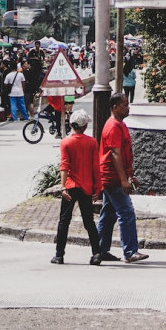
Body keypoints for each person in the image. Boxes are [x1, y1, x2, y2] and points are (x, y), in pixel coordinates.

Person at [95, 93, 148, 264]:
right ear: (115, 107)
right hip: (113, 177)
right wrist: (124, 180)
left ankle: (101, 250)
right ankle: (130, 251)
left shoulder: (120, 125)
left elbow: (124, 154)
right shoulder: (113, 127)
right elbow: (115, 154)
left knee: (108, 214)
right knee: (126, 212)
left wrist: (131, 175)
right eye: (125, 105)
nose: (128, 107)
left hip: (114, 175)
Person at [52, 109, 101, 265]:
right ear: (85, 126)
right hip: (86, 186)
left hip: (71, 185)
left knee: (64, 221)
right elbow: (95, 167)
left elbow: (64, 166)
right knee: (89, 222)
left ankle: (59, 255)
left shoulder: (66, 142)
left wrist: (63, 187)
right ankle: (96, 253)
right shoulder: (92, 142)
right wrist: (97, 188)